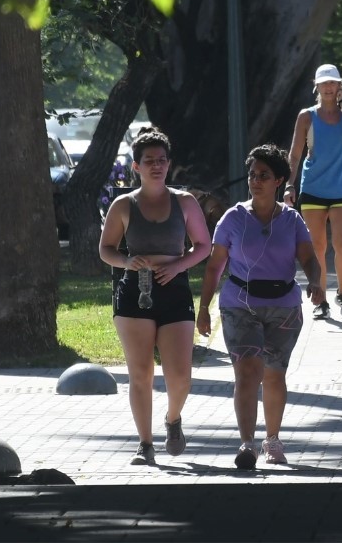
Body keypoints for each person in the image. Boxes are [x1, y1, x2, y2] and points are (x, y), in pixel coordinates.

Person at [197, 144, 324, 469]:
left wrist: (315, 281)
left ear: (279, 180)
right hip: (240, 304)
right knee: (248, 373)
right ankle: (247, 444)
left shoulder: (292, 220)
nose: (256, 181)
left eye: (264, 176)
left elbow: (308, 257)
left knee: (274, 374)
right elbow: (214, 267)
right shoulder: (233, 218)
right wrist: (204, 307)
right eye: (253, 175)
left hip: (283, 306)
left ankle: (273, 439)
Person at [98, 127, 212, 465]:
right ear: (136, 167)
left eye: (162, 160)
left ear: (169, 164)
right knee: (141, 372)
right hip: (135, 291)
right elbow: (106, 249)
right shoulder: (123, 205)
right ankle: (145, 444)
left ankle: (173, 419)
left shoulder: (185, 202)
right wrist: (126, 261)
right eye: (149, 161)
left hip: (173, 288)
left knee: (179, 374)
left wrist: (180, 266)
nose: (156, 166)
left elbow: (203, 246)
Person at [285, 64, 342, 319]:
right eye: (324, 83)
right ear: (316, 86)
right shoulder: (307, 116)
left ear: (340, 86)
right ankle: (320, 297)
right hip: (313, 188)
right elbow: (295, 154)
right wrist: (289, 184)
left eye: (333, 83)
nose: (329, 88)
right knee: (317, 245)